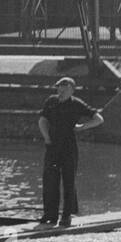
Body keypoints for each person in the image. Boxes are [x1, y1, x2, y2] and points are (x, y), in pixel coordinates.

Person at [37, 76, 103, 227]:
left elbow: (99, 119)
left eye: (65, 88)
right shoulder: (51, 101)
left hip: (68, 147)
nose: (61, 91)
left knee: (68, 181)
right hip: (52, 146)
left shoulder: (76, 104)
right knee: (50, 181)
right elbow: (42, 120)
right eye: (59, 87)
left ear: (72, 90)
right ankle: (50, 214)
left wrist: (82, 127)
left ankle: (66, 215)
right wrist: (46, 137)